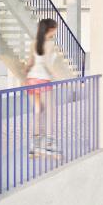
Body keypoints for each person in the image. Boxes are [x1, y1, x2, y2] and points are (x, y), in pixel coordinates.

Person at [25, 18, 64, 155]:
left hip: (31, 80)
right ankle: (49, 144)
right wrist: (58, 77)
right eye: (55, 28)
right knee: (50, 111)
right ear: (51, 29)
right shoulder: (50, 44)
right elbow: (47, 63)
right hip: (43, 80)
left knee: (38, 111)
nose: (56, 31)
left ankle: (35, 145)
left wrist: (25, 76)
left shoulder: (34, 43)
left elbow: (30, 63)